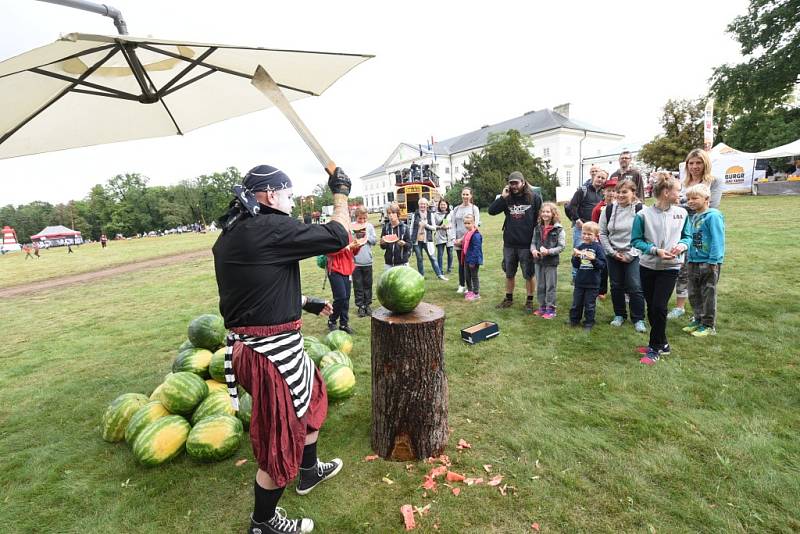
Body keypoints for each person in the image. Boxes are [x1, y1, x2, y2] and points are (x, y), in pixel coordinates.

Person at [212, 164, 352, 534]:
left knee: (313, 397)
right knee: (279, 441)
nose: (290, 202)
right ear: (271, 195)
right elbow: (339, 234)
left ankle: (308, 472)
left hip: (266, 347)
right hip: (269, 355)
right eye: (288, 194)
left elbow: (256, 286)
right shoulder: (271, 227)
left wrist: (304, 301)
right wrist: (340, 191)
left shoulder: (232, 234)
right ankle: (263, 523)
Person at [631, 172, 691, 365]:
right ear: (666, 192)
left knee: (659, 306)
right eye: (677, 191)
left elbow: (687, 236)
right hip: (647, 266)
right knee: (652, 307)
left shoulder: (682, 213)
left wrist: (682, 246)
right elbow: (636, 241)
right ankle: (662, 343)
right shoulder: (642, 215)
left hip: (670, 267)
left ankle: (655, 349)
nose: (680, 195)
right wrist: (655, 250)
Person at [668, 148, 724, 320]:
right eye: (691, 163)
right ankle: (681, 306)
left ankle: (703, 315)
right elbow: (674, 202)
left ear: (705, 163)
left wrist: (683, 202)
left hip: (702, 229)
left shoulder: (714, 181)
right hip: (682, 227)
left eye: (698, 162)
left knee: (703, 272)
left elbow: (712, 204)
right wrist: (685, 204)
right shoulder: (682, 183)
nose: (694, 166)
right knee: (683, 268)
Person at [488, 171, 543, 312]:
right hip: (510, 243)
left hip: (527, 244)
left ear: (523, 182)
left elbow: (540, 218)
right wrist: (502, 197)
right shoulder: (507, 198)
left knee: (529, 274)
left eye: (516, 183)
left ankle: (529, 301)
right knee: (509, 273)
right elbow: (491, 211)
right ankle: (508, 298)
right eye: (511, 183)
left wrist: (538, 242)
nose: (513, 186)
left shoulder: (534, 198)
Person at [599, 179, 646, 333]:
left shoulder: (641, 209)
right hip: (613, 254)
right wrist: (612, 253)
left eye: (624, 192)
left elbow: (646, 235)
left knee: (635, 286)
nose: (620, 195)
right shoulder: (608, 210)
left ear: (633, 193)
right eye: (618, 192)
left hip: (633, 253)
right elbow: (602, 233)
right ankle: (619, 315)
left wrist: (631, 255)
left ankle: (638, 318)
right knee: (616, 285)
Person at [682, 183, 725, 337]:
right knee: (694, 293)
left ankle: (708, 325)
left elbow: (717, 239)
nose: (690, 201)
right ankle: (698, 319)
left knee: (708, 293)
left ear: (707, 198)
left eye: (695, 198)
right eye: (688, 199)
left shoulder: (713, 216)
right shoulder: (693, 217)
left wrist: (713, 260)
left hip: (709, 262)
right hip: (693, 261)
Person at [569, 222, 606, 331]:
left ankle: (589, 322)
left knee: (589, 304)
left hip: (592, 282)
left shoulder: (598, 248)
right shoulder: (580, 247)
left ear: (596, 235)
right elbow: (576, 265)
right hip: (580, 281)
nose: (586, 236)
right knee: (576, 303)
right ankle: (574, 320)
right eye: (584, 233)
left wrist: (593, 259)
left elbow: (602, 265)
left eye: (589, 234)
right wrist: (575, 257)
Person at [530, 202, 565, 319]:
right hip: (538, 262)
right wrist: (534, 250)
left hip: (551, 262)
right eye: (543, 211)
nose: (545, 214)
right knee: (540, 285)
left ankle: (551, 309)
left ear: (553, 214)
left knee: (550, 286)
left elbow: (561, 246)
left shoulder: (558, 229)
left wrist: (549, 251)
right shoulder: (537, 228)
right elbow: (533, 243)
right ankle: (542, 307)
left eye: (548, 212)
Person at [326, 228, 360, 335]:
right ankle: (332, 320)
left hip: (348, 269)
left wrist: (358, 246)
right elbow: (329, 251)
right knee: (340, 297)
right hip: (335, 269)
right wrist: (347, 247)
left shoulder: (349, 233)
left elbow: (353, 252)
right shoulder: (332, 232)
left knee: (346, 298)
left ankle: (344, 324)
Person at [591, 177, 617, 301]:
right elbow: (594, 226)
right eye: (609, 190)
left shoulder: (622, 207)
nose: (611, 193)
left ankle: (619, 290)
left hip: (618, 242)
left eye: (614, 190)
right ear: (604, 192)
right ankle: (602, 290)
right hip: (602, 242)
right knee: (604, 267)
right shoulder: (598, 209)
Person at [409, 197, 447, 280]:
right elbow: (411, 227)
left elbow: (434, 228)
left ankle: (439, 275)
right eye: (421, 204)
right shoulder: (414, 215)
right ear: (418, 205)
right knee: (419, 259)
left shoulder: (431, 214)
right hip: (416, 240)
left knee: (432, 257)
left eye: (424, 204)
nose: (422, 205)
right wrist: (411, 239)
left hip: (427, 240)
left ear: (427, 205)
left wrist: (425, 225)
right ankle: (421, 276)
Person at [451, 187, 480, 293]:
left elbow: (475, 226)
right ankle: (461, 285)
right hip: (458, 240)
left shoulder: (474, 208)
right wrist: (454, 238)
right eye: (463, 194)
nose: (465, 196)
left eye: (467, 194)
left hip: (470, 241)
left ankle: (470, 287)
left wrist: (463, 239)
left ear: (471, 196)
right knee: (461, 263)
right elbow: (453, 224)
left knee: (469, 264)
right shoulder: (456, 209)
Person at [352, 208, 377, 318]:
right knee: (358, 285)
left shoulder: (370, 226)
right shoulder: (352, 227)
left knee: (368, 284)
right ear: (356, 217)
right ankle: (360, 306)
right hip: (355, 262)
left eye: (364, 218)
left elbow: (374, 241)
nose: (362, 220)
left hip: (367, 261)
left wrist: (366, 237)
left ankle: (367, 305)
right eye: (359, 218)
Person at [380, 202, 412, 269]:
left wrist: (404, 244)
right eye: (389, 213)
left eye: (393, 213)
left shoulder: (405, 228)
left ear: (397, 214)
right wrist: (382, 243)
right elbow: (383, 247)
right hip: (389, 263)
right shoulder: (385, 228)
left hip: (402, 263)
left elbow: (410, 245)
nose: (391, 215)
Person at [460, 213, 483, 301]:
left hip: (473, 260)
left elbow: (476, 249)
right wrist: (459, 241)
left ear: (473, 223)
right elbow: (465, 242)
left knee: (474, 276)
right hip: (467, 258)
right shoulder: (468, 233)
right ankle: (470, 291)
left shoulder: (476, 235)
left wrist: (473, 262)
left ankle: (476, 293)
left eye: (469, 223)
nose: (466, 225)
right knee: (467, 276)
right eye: (465, 223)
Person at [433, 199, 455, 275]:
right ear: (439, 205)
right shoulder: (435, 214)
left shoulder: (451, 214)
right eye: (441, 204)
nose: (443, 206)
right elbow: (433, 225)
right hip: (439, 236)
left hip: (449, 235)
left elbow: (453, 223)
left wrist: (449, 226)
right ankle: (440, 270)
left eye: (444, 204)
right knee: (440, 254)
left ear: (447, 205)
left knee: (450, 253)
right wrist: (440, 227)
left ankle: (449, 268)